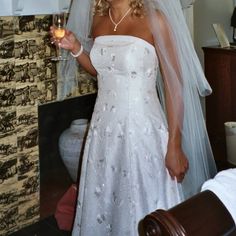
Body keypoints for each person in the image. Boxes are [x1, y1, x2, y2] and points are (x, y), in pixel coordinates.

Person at [51, 0, 217, 235]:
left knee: (143, 207)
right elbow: (102, 71)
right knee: (105, 202)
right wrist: (76, 47)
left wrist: (175, 145)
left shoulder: (155, 19)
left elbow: (174, 86)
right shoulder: (99, 19)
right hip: (102, 133)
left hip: (141, 132)